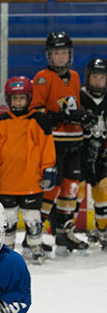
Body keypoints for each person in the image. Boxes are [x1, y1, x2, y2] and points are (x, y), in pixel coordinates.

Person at [30, 32, 97, 253]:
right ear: (49, 55)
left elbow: (73, 106)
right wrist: (61, 117)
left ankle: (64, 233)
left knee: (71, 187)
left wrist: (82, 116)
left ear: (69, 54)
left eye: (64, 52)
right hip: (54, 142)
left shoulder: (76, 77)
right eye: (56, 53)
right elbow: (37, 113)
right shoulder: (42, 77)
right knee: (52, 186)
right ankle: (34, 234)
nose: (60, 57)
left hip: (75, 140)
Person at [0, 76, 56, 263]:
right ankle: (7, 253)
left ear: (29, 98)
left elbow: (47, 148)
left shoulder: (39, 120)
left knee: (33, 220)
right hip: (7, 183)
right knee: (7, 221)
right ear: (8, 99)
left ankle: (36, 247)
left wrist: (48, 169)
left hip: (32, 182)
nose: (18, 101)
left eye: (22, 98)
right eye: (15, 98)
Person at [78, 58, 107, 249]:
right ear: (88, 77)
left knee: (103, 191)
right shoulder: (79, 95)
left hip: (102, 154)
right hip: (79, 153)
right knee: (75, 192)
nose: (98, 80)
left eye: (102, 77)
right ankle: (65, 231)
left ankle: (103, 231)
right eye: (95, 76)